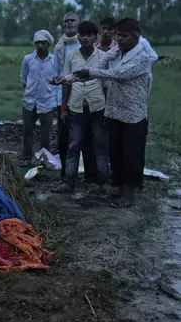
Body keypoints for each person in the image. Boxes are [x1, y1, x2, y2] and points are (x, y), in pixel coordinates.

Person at [74, 18, 152, 208]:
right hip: (113, 111)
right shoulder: (116, 51)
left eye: (125, 36)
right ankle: (119, 188)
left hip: (133, 115)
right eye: (120, 35)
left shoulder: (142, 57)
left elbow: (119, 74)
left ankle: (130, 195)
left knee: (131, 155)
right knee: (115, 153)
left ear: (136, 37)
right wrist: (67, 78)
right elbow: (99, 67)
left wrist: (89, 73)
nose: (121, 39)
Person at [52, 21, 111, 193]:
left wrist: (108, 111)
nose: (85, 38)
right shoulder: (72, 56)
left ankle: (103, 182)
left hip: (98, 108)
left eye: (89, 34)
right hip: (76, 107)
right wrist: (63, 108)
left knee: (100, 146)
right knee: (74, 145)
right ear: (78, 36)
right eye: (82, 34)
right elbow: (66, 82)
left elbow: (107, 85)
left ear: (95, 37)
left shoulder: (102, 57)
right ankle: (68, 182)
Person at [53, 12, 98, 185]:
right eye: (66, 21)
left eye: (73, 21)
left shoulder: (88, 45)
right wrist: (59, 104)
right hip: (64, 99)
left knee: (88, 140)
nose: (70, 23)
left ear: (79, 25)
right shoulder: (59, 47)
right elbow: (57, 74)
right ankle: (66, 176)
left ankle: (90, 178)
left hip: (86, 100)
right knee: (65, 141)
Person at [19, 30, 57, 165]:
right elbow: (24, 78)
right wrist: (30, 91)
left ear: (48, 44)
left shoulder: (54, 61)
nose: (40, 46)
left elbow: (57, 82)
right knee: (27, 130)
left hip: (47, 102)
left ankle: (45, 159)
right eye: (37, 43)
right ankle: (26, 158)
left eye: (43, 43)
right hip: (29, 101)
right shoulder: (28, 59)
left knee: (46, 133)